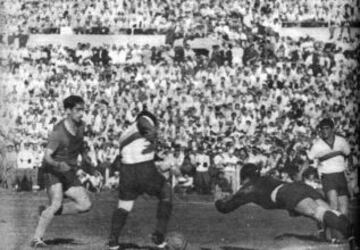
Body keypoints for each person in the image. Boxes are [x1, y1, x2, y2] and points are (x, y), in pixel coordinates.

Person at [215, 163, 357, 250]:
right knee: (327, 212)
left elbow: (225, 208)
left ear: (244, 176)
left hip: (286, 192)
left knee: (318, 213)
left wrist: (218, 200)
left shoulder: (247, 188)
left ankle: (353, 232)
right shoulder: (265, 178)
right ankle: (348, 235)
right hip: (298, 186)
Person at [31, 95, 92, 247]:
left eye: (82, 110)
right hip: (53, 171)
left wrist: (86, 160)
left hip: (68, 171)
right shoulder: (58, 132)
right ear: (68, 111)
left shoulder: (81, 126)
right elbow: (47, 158)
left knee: (85, 205)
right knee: (57, 202)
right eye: (78, 110)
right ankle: (36, 239)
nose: (81, 113)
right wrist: (59, 165)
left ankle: (46, 211)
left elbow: (81, 144)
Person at [107, 110, 172, 250]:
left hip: (127, 171)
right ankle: (159, 234)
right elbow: (146, 124)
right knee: (166, 192)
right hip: (144, 169)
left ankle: (113, 241)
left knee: (124, 206)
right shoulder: (143, 119)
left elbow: (125, 155)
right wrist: (155, 137)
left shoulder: (124, 134)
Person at [307, 118, 351, 217]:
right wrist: (300, 173)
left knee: (344, 209)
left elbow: (348, 154)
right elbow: (308, 159)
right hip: (327, 177)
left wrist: (348, 166)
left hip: (341, 176)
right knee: (333, 206)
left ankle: (345, 231)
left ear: (332, 129)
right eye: (322, 129)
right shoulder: (317, 145)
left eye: (327, 128)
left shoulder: (341, 141)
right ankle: (330, 231)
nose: (324, 131)